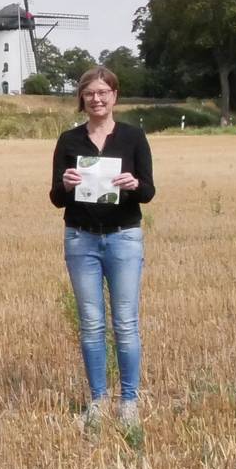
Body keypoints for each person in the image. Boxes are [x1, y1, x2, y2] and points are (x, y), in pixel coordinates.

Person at [49, 65, 155, 429]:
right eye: (89, 93)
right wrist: (64, 184)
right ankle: (97, 400)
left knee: (125, 323)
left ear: (114, 97)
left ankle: (129, 402)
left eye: (103, 93)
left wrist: (133, 184)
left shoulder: (134, 138)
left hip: (124, 236)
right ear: (82, 98)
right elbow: (56, 200)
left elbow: (149, 192)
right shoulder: (68, 141)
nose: (96, 99)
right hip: (81, 239)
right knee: (91, 324)